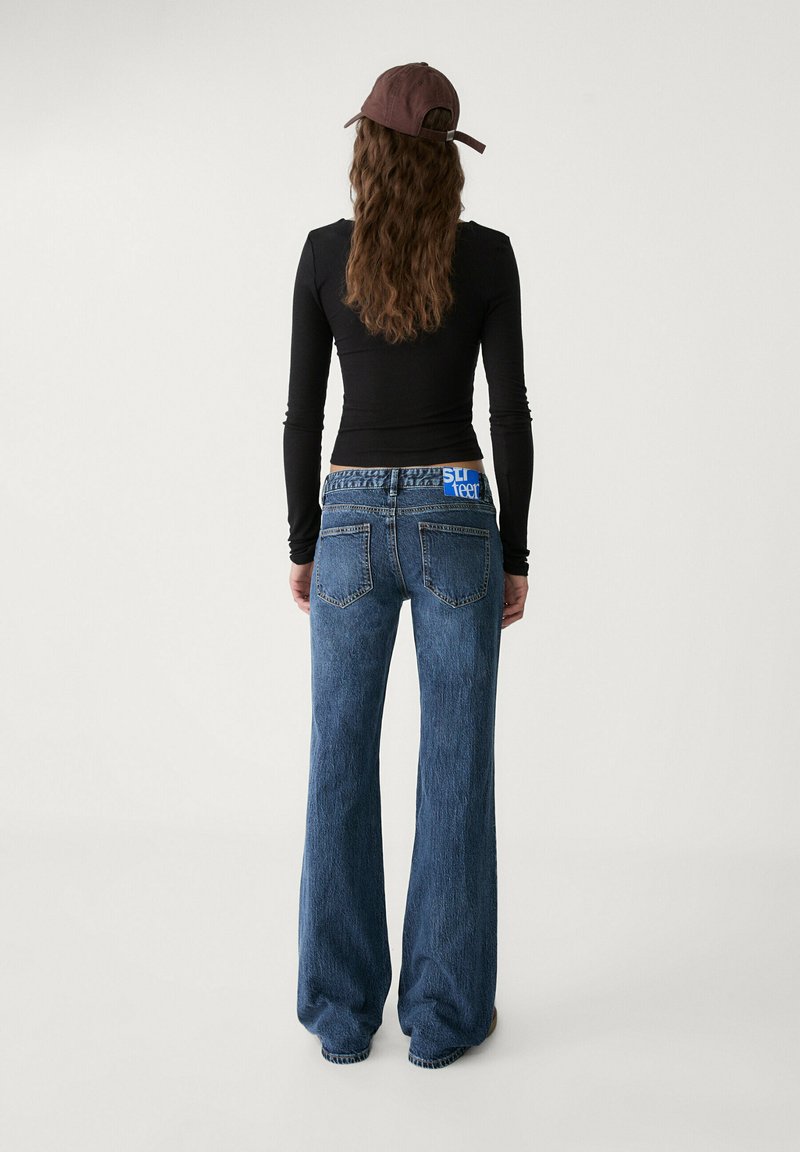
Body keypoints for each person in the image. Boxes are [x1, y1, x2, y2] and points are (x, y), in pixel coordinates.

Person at [282, 62, 534, 1069]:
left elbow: (302, 415)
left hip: (347, 514)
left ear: (368, 150)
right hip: (457, 513)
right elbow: (508, 414)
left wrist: (304, 539)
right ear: (447, 160)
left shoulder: (321, 254)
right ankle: (443, 1016)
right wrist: (513, 552)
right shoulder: (489, 256)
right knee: (456, 763)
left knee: (338, 759)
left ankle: (341, 1014)